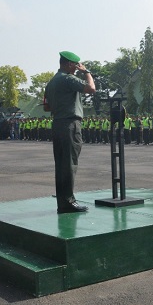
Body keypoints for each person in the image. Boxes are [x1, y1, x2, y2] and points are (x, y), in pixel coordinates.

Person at [43, 51, 96, 214]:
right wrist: (87, 72)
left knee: (61, 164)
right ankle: (68, 202)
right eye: (75, 65)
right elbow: (91, 88)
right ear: (68, 64)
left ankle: (63, 201)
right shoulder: (68, 78)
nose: (77, 68)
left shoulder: (52, 82)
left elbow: (46, 107)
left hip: (57, 123)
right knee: (69, 164)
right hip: (69, 124)